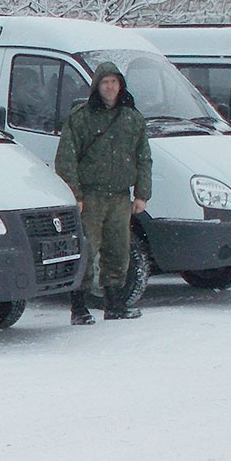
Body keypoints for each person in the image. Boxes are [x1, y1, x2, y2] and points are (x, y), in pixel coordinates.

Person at [54, 61, 151, 323]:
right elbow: (66, 157)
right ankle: (79, 308)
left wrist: (142, 194)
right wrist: (75, 193)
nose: (110, 87)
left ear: (121, 86)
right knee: (88, 249)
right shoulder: (81, 117)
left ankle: (115, 305)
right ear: (97, 86)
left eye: (114, 82)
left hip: (120, 197)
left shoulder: (132, 118)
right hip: (91, 197)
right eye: (105, 82)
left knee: (118, 250)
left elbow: (144, 158)